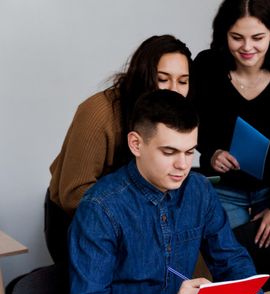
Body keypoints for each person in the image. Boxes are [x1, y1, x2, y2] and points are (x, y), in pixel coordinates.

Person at [65, 90, 263, 294]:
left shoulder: (199, 190)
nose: (183, 165)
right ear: (136, 144)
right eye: (169, 152)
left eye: (190, 152)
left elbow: (232, 261)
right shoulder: (99, 207)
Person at [46, 34, 192, 266]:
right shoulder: (99, 112)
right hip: (80, 218)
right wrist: (136, 216)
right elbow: (73, 193)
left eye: (183, 81)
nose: (173, 90)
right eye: (163, 79)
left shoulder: (174, 116)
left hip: (138, 219)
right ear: (143, 76)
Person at [190, 0, 270, 249]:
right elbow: (190, 122)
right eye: (237, 37)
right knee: (230, 263)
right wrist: (213, 152)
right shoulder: (206, 66)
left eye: (257, 37)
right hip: (223, 189)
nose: (247, 47)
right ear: (224, 34)